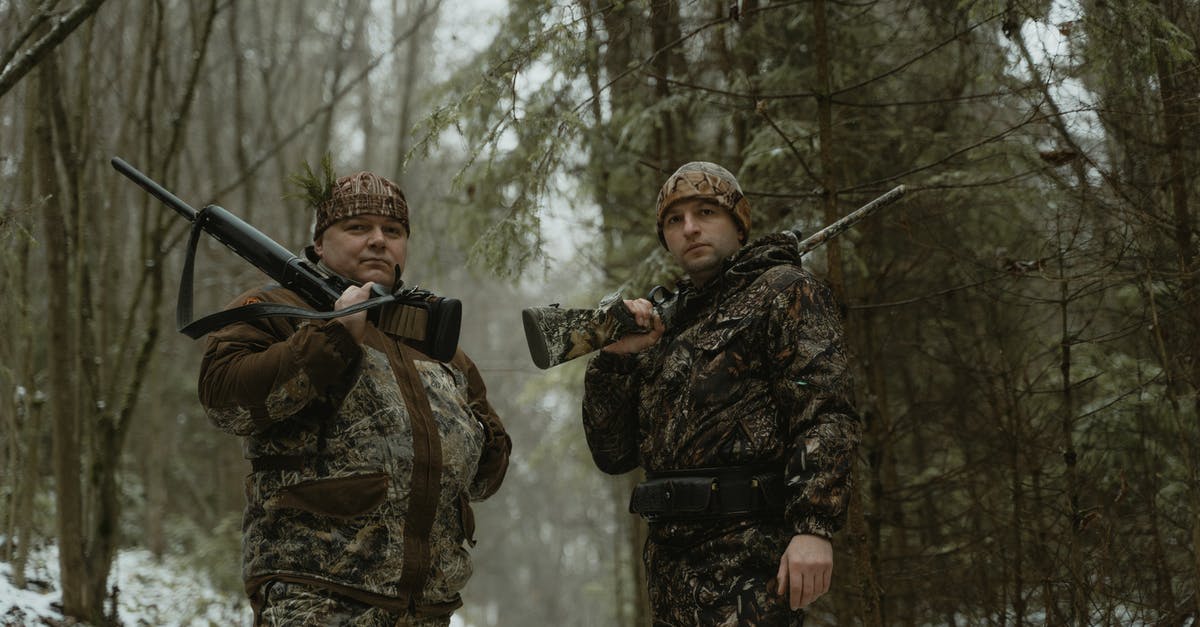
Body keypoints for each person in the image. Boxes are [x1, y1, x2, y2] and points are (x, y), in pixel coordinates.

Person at [198, 166, 511, 626]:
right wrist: (333, 337)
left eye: (393, 230)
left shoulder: (433, 341)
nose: (379, 240)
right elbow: (224, 400)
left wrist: (480, 443)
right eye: (358, 227)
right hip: (315, 601)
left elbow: (485, 478)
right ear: (320, 243)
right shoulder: (278, 309)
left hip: (427, 610)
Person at [581, 162, 861, 625]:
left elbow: (825, 412)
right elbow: (614, 455)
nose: (690, 228)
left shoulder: (784, 290)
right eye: (675, 220)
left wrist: (813, 527)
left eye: (706, 212)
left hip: (751, 566)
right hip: (671, 576)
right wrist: (614, 360)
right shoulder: (666, 327)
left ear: (738, 223)